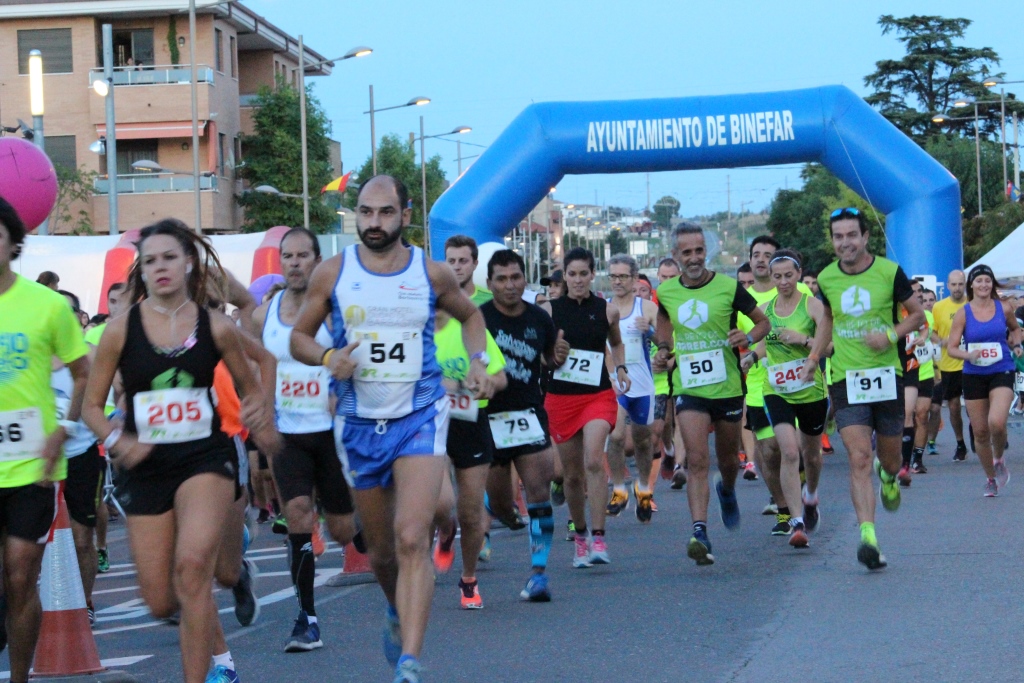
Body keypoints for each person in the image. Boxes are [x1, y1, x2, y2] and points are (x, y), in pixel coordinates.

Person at [289, 175, 490, 683]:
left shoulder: (431, 273)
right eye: (364, 213)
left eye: (384, 213)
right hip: (358, 422)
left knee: (409, 537)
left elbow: (471, 319)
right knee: (379, 552)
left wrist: (478, 361)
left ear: (404, 215)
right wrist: (328, 355)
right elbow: (298, 339)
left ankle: (409, 662)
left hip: (419, 414)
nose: (373, 223)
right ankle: (397, 609)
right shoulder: (333, 273)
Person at [82, 219, 280, 683]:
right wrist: (118, 440)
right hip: (145, 465)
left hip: (204, 459)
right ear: (142, 272)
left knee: (193, 570)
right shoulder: (118, 331)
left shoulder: (216, 327)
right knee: (160, 598)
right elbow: (91, 407)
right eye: (150, 261)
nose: (160, 267)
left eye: (169, 257)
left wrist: (258, 407)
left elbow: (256, 375)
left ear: (188, 262)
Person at [253, 227, 357, 651]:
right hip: (289, 436)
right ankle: (306, 618)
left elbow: (357, 360)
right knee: (296, 512)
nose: (295, 263)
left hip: (332, 435)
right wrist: (260, 431)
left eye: (303, 256)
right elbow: (261, 371)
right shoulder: (266, 315)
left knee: (343, 529)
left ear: (317, 260)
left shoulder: (335, 314)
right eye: (288, 256)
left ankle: (365, 526)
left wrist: (340, 391)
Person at [0, 198, 90, 683]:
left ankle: (19, 679)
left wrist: (64, 427)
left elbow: (83, 372)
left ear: (15, 244)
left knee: (20, 575)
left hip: (32, 464)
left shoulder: (49, 307)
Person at [811, 207, 923, 570]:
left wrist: (889, 335)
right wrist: (814, 358)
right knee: (858, 457)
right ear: (833, 241)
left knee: (888, 459)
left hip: (887, 376)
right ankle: (868, 536)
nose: (845, 243)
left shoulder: (889, 272)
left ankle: (889, 475)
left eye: (851, 235)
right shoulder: (827, 278)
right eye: (838, 237)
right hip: (846, 379)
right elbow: (828, 318)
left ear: (865, 237)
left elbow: (918, 316)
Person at [654, 224, 770, 566]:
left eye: (699, 251)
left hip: (729, 388)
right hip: (690, 388)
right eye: (686, 252)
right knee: (697, 458)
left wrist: (745, 338)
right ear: (676, 256)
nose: (693, 258)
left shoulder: (728, 288)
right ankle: (699, 532)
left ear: (707, 251)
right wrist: (663, 346)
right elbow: (664, 320)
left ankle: (728, 489)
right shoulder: (668, 291)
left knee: (727, 460)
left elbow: (763, 323)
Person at [482, 249, 565, 601]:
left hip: (528, 414)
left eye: (515, 277)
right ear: (489, 284)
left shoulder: (538, 319)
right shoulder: (477, 318)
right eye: (501, 279)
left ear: (524, 280)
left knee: (538, 493)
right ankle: (498, 510)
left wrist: (558, 358)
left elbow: (550, 359)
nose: (509, 285)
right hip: (487, 419)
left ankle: (539, 573)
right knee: (503, 506)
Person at [541, 247, 629, 567]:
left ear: (593, 275)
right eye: (572, 274)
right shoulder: (549, 310)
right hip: (561, 398)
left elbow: (616, 343)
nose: (578, 280)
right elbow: (541, 355)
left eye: (584, 274)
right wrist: (553, 357)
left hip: (597, 395)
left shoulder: (607, 311)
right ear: (564, 276)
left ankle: (600, 538)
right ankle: (580, 538)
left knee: (594, 458)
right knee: (571, 476)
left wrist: (620, 368)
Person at [743, 249, 828, 549]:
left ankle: (811, 496)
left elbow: (828, 348)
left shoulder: (812, 306)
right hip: (776, 389)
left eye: (788, 276)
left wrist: (804, 341)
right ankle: (796, 521)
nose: (782, 282)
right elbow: (765, 344)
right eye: (776, 276)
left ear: (799, 274)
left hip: (810, 390)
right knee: (789, 452)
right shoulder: (765, 310)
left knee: (812, 455)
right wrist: (752, 356)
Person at [430, 304, 506, 609]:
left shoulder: (470, 330)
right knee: (439, 502)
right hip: (428, 424)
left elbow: (500, 376)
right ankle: (445, 529)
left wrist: (486, 382)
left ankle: (469, 578)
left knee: (471, 511)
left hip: (470, 422)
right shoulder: (414, 332)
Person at [945, 264, 1023, 496]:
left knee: (996, 422)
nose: (983, 285)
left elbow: (1015, 329)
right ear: (972, 285)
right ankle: (991, 478)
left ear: (992, 284)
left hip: (1002, 369)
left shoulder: (1004, 308)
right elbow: (951, 348)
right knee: (980, 431)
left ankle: (998, 457)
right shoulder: (964, 313)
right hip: (973, 374)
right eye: (978, 281)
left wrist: (1017, 344)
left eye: (987, 281)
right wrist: (967, 354)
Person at [52, 290, 103, 625]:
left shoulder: (91, 355)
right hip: (36, 458)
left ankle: (83, 603)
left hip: (81, 453)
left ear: (79, 317)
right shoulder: (30, 351)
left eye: (69, 312)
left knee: (82, 538)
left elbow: (111, 398)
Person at [604, 254, 659, 522]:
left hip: (643, 383)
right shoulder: (603, 308)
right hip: (615, 383)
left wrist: (649, 331)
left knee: (642, 439)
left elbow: (665, 341)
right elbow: (600, 347)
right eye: (613, 276)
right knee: (614, 436)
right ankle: (618, 489)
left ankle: (644, 488)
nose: (617, 281)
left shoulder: (646, 308)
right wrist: (610, 375)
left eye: (623, 276)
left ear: (634, 278)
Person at [899, 280, 938, 482]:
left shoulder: (923, 314)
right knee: (901, 417)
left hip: (919, 369)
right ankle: (895, 455)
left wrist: (923, 337)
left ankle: (914, 460)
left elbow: (928, 332)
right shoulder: (893, 310)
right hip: (896, 368)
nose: (913, 297)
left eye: (917, 295)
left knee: (919, 415)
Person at [932, 270, 969, 461]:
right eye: (953, 284)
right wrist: (943, 341)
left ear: (965, 284)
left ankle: (977, 431)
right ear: (947, 286)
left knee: (975, 405)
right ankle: (960, 442)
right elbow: (932, 333)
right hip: (948, 364)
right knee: (954, 407)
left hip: (971, 362)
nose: (957, 288)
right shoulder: (939, 307)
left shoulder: (972, 304)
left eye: (960, 284)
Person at [445, 235, 493, 306]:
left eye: (463, 261)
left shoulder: (492, 301)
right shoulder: (434, 303)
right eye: (451, 261)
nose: (456, 267)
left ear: (475, 264)